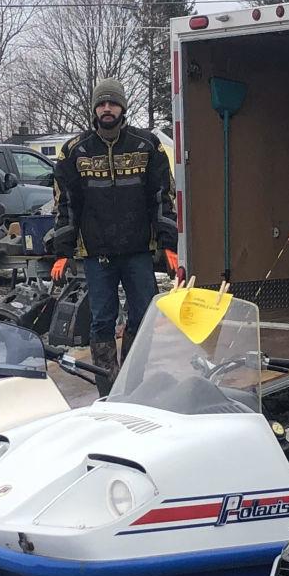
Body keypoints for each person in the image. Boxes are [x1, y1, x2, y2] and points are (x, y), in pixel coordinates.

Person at [50, 77, 177, 384]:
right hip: (97, 254)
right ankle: (108, 386)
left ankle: (132, 381)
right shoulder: (75, 151)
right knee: (102, 320)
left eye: (113, 103)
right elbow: (65, 203)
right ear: (95, 109)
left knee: (143, 317)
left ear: (122, 107)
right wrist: (62, 252)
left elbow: (162, 197)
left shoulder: (147, 146)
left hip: (137, 252)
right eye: (102, 103)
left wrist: (169, 243)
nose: (107, 109)